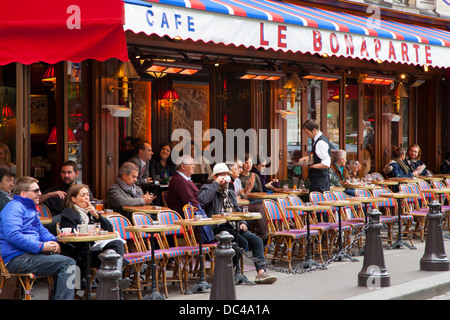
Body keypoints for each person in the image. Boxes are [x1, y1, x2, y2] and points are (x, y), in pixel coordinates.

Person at [198, 163, 277, 284]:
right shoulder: (207, 188)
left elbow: (237, 210)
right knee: (241, 242)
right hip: (218, 227)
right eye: (222, 175)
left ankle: (261, 273)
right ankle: (229, 272)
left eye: (227, 174)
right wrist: (216, 184)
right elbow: (203, 200)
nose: (225, 177)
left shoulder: (229, 192)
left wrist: (243, 222)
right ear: (215, 177)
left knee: (257, 241)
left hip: (233, 226)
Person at [0, 176, 76, 300]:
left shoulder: (28, 207)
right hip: (16, 259)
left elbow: (41, 231)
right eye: (36, 191)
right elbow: (13, 236)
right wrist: (41, 246)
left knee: (70, 259)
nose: (40, 194)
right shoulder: (13, 207)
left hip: (28, 254)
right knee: (68, 264)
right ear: (24, 193)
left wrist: (55, 242)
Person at [59, 184, 128, 289]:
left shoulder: (89, 213)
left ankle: (116, 278)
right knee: (111, 257)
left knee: (115, 244)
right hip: (80, 254)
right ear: (73, 199)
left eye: (87, 195)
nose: (87, 198)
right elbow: (73, 238)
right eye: (82, 195)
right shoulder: (69, 214)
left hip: (91, 250)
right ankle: (115, 282)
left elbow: (109, 229)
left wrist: (96, 215)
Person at [228, 159, 268, 240]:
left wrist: (249, 188)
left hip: (242, 205)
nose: (241, 170)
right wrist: (241, 196)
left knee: (268, 202)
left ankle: (274, 233)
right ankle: (267, 236)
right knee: (264, 203)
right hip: (238, 208)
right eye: (238, 168)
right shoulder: (229, 183)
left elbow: (243, 197)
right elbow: (236, 200)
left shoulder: (238, 181)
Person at [299, 119, 332, 193]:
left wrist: (311, 166)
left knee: (318, 202)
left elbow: (326, 164)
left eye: (307, 133)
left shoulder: (320, 142)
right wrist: (308, 158)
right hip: (319, 180)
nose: (306, 135)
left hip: (320, 181)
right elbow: (318, 156)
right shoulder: (319, 140)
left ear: (314, 130)